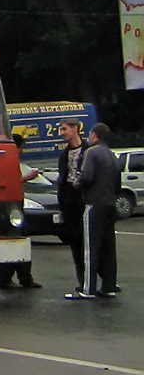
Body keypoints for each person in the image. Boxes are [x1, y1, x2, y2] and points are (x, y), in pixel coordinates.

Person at [66, 123, 120, 299]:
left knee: (91, 247)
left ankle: (88, 289)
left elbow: (87, 175)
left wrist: (77, 183)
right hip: (110, 203)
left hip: (94, 204)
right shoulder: (112, 155)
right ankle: (109, 287)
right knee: (108, 247)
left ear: (95, 135)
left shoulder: (92, 152)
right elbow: (117, 183)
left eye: (90, 134)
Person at [0, 133, 42, 289]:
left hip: (15, 204)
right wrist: (27, 177)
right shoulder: (7, 162)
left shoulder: (10, 161)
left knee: (20, 241)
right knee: (14, 242)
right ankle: (6, 279)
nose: (22, 151)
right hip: (10, 206)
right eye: (21, 147)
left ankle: (24, 277)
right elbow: (9, 183)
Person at [56, 117, 87, 293]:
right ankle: (82, 280)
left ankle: (99, 279)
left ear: (75, 129)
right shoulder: (64, 154)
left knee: (88, 242)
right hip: (69, 203)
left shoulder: (88, 150)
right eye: (61, 130)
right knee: (75, 243)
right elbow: (63, 177)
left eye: (64, 129)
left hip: (84, 200)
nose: (62, 133)